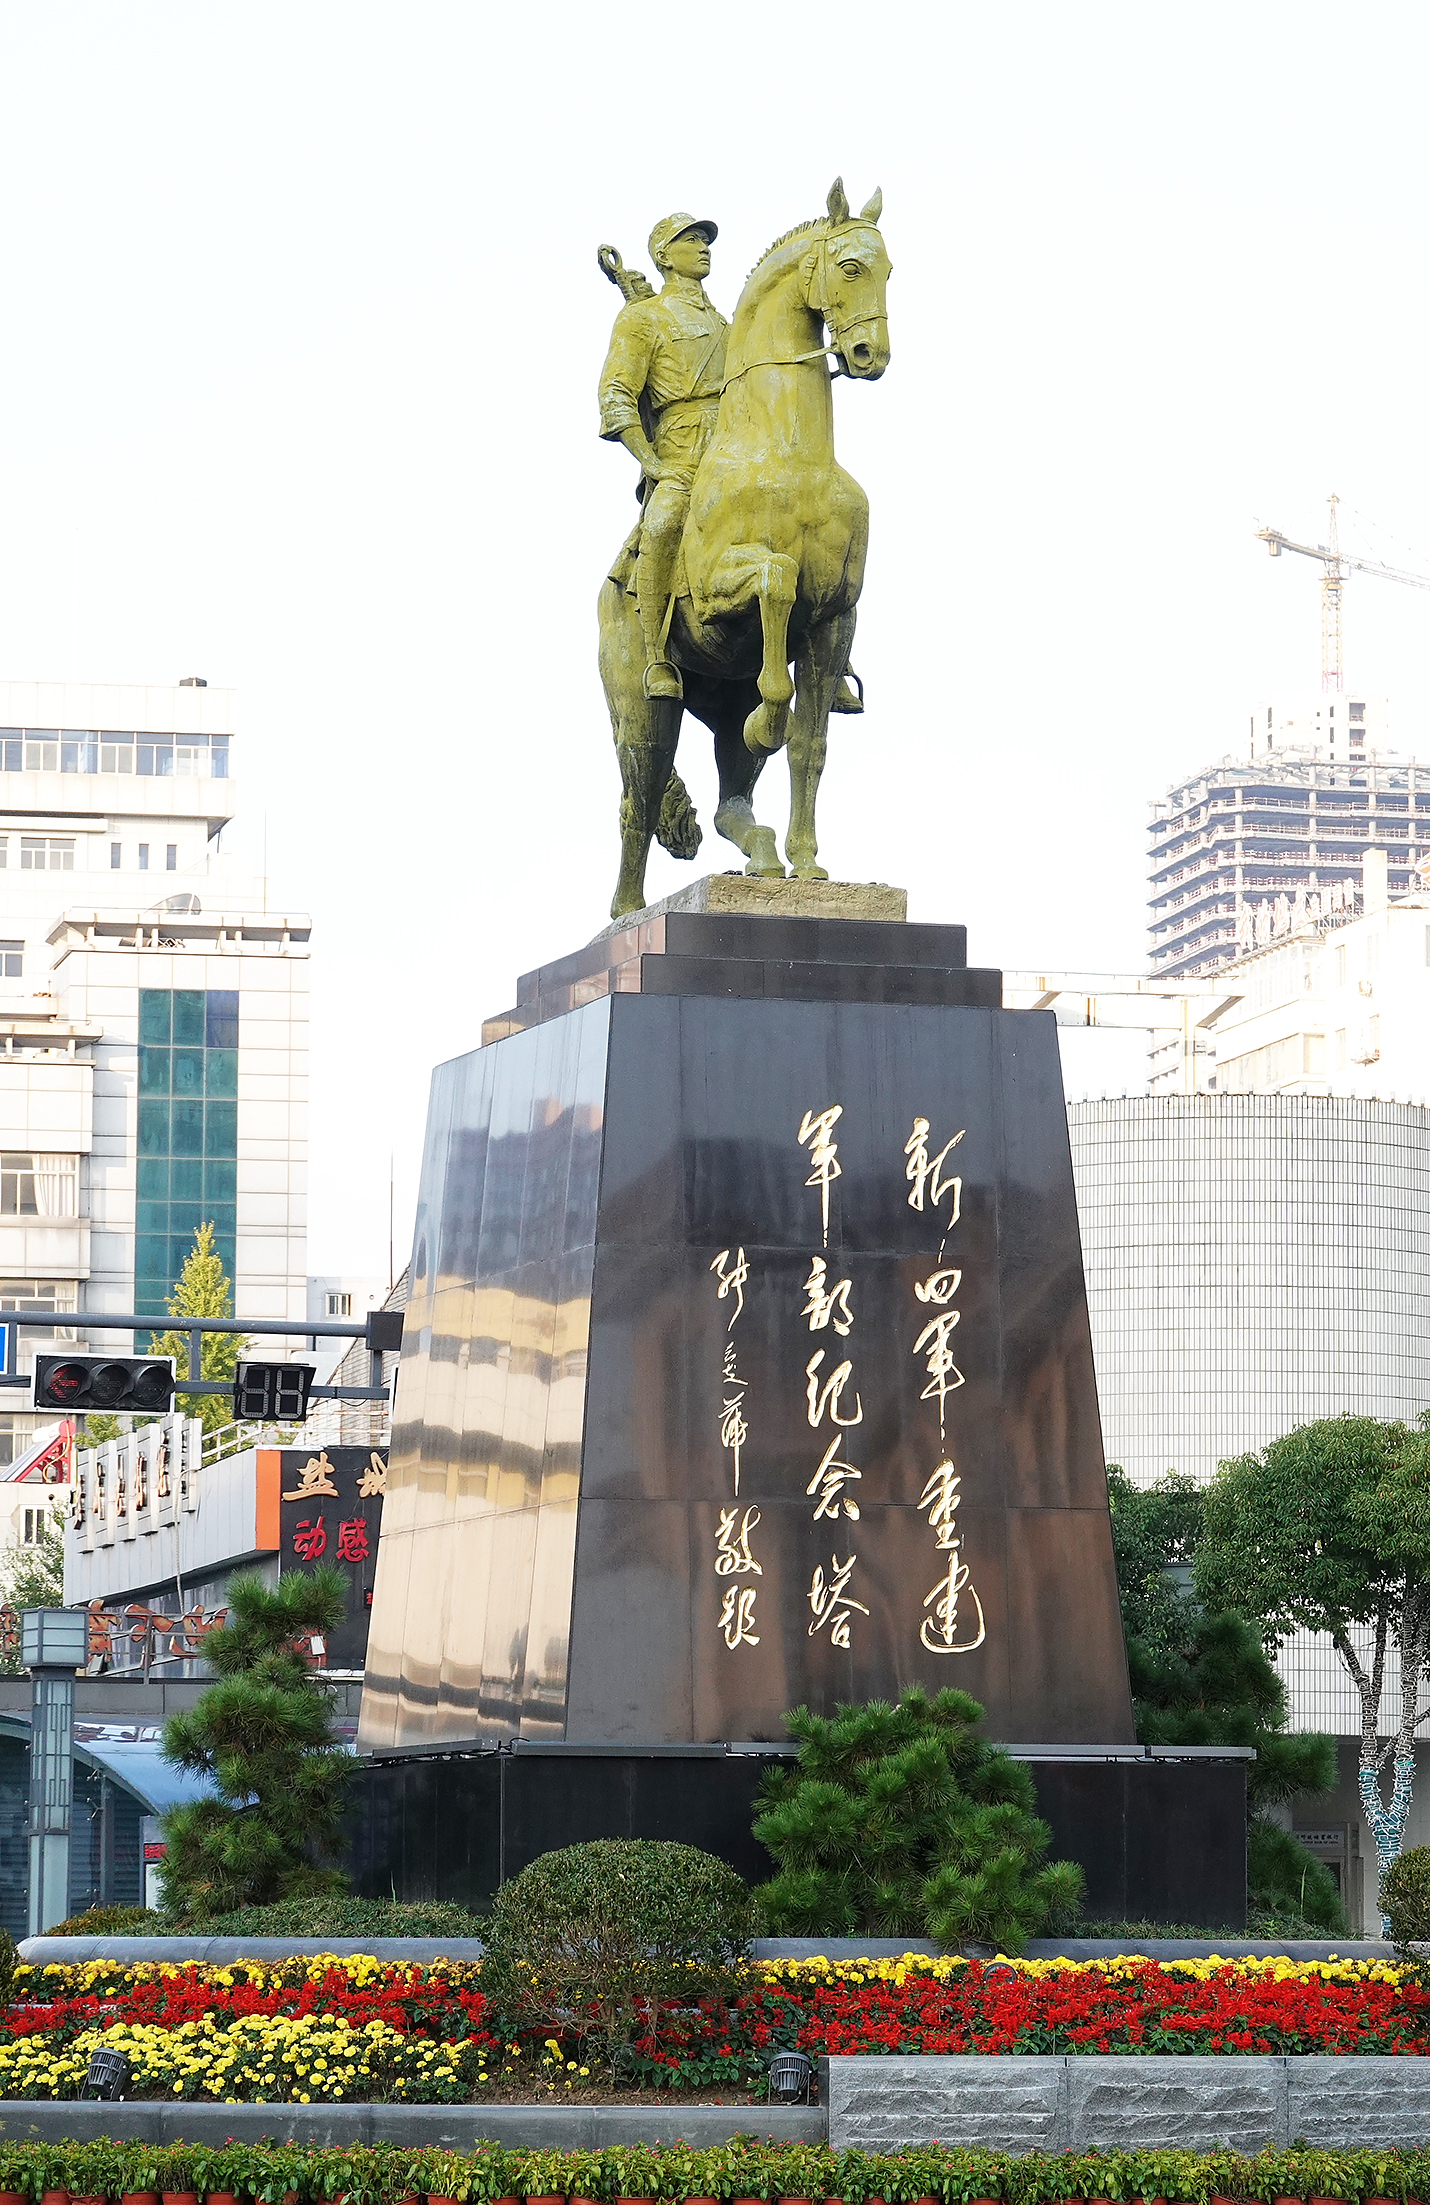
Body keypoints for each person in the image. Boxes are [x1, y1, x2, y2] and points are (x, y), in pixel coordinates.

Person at [598, 213, 728, 700]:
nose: (703, 247)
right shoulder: (642, 317)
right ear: (662, 256)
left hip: (736, 444)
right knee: (664, 522)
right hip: (682, 447)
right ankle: (656, 654)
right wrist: (651, 461)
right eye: (690, 240)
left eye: (704, 240)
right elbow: (616, 392)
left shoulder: (726, 324)